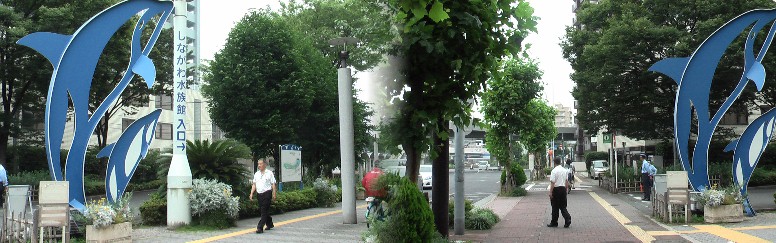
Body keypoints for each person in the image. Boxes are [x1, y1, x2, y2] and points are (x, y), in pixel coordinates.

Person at [250, 158, 277, 234]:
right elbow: (254, 184)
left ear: (265, 164)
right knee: (264, 210)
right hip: (259, 194)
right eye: (258, 164)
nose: (259, 165)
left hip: (267, 193)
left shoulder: (269, 173)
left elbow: (273, 184)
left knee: (263, 211)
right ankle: (270, 224)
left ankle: (260, 227)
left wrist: (274, 194)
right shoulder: (256, 174)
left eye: (260, 164)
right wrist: (251, 193)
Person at [548, 157, 571, 228]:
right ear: (560, 162)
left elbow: (553, 182)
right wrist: (566, 190)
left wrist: (550, 192)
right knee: (563, 206)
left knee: (555, 206)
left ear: (554, 162)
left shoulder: (554, 171)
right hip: (563, 189)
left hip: (556, 189)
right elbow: (567, 181)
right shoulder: (565, 170)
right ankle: (567, 219)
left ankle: (554, 222)